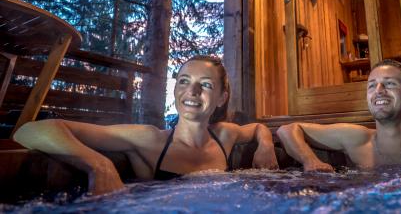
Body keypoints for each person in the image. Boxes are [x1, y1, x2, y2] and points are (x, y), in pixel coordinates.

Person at [14, 55, 278, 195]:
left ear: (221, 98)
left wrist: (265, 144)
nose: (192, 91)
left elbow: (258, 128)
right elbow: (30, 130)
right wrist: (98, 163)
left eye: (206, 84)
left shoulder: (225, 135)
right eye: (184, 81)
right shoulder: (150, 140)